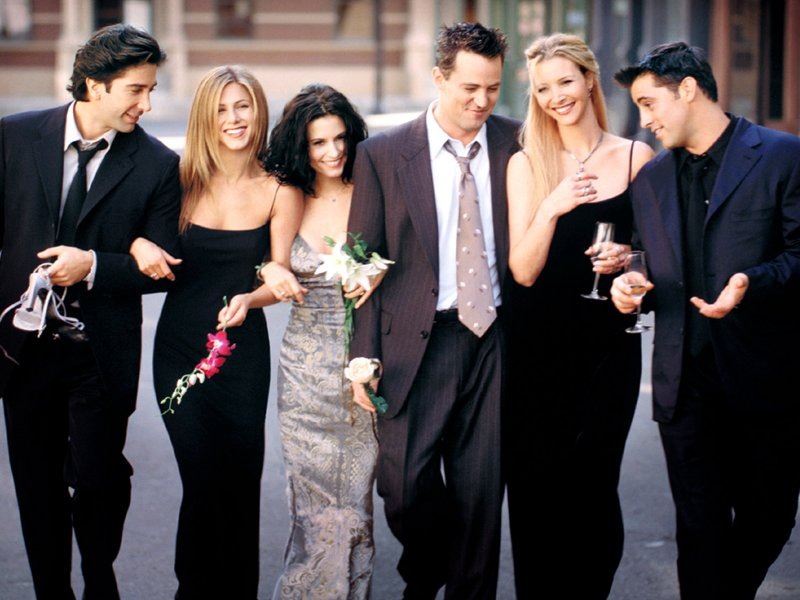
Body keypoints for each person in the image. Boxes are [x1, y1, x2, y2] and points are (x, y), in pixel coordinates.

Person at [611, 42, 800, 599]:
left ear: (689, 89)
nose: (644, 120)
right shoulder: (650, 180)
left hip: (766, 382)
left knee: (770, 519)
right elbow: (646, 261)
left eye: (649, 103)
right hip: (685, 387)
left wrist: (750, 283)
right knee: (698, 532)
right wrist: (629, 286)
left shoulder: (783, 156)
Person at [0, 24, 180, 599]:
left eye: (151, 90)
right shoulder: (14, 136)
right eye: (135, 90)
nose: (145, 104)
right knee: (37, 488)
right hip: (22, 350)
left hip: (100, 353)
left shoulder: (157, 163)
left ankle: (99, 573)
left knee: (101, 479)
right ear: (95, 84)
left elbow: (165, 268)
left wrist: (96, 265)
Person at [347, 22, 520, 599]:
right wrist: (362, 359)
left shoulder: (518, 142)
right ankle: (426, 572)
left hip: (493, 337)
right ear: (439, 78)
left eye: (492, 88)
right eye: (470, 88)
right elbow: (361, 263)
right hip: (413, 343)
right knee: (404, 485)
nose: (482, 101)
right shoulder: (382, 154)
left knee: (480, 493)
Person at [129, 65, 302, 598]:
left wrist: (253, 297)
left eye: (243, 105)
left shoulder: (279, 189)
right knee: (202, 480)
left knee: (240, 483)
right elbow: (131, 235)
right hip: (180, 351)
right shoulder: (178, 180)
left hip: (243, 357)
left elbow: (278, 274)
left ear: (258, 110)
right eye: (222, 109)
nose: (234, 118)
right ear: (206, 117)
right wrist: (137, 244)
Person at [504, 33, 654, 599]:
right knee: (537, 491)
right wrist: (553, 206)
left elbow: (654, 258)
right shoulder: (527, 162)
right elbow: (522, 271)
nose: (555, 97)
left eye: (565, 81)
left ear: (589, 81)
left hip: (607, 348)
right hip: (535, 352)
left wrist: (628, 258)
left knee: (595, 488)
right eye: (542, 88)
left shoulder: (637, 157)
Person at [260, 83, 377, 600]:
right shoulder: (288, 196)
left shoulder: (373, 188)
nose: (333, 152)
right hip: (304, 370)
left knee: (355, 505)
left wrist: (378, 274)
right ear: (300, 147)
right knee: (311, 506)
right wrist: (260, 282)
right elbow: (276, 275)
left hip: (364, 363)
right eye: (318, 143)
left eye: (340, 138)